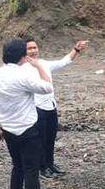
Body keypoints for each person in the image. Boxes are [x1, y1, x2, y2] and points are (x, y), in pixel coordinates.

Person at [0, 38, 54, 189]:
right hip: (27, 128)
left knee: (17, 167)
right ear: (23, 56)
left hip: (7, 128)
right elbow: (48, 87)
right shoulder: (23, 76)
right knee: (31, 171)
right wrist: (39, 66)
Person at [24, 37, 89, 177]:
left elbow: (63, 62)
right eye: (30, 48)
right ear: (24, 52)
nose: (33, 51)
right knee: (40, 139)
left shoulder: (43, 64)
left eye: (35, 47)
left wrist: (76, 49)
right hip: (37, 108)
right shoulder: (23, 69)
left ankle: (50, 164)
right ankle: (42, 167)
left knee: (51, 137)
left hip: (50, 106)